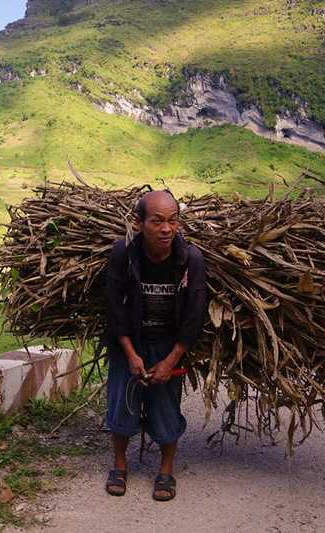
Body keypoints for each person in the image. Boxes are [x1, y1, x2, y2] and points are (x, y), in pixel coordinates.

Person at [102, 189, 207, 501]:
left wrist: (172, 359)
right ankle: (119, 466)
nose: (166, 229)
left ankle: (166, 471)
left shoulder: (190, 259)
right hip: (129, 342)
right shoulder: (123, 253)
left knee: (165, 409)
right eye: (157, 221)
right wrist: (130, 353)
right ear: (139, 223)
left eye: (173, 221)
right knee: (122, 403)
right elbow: (114, 307)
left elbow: (194, 314)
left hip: (167, 343)